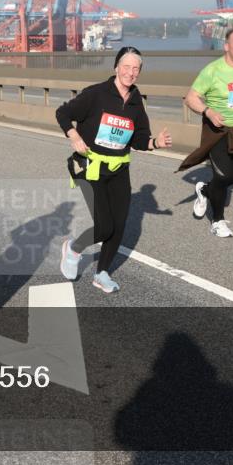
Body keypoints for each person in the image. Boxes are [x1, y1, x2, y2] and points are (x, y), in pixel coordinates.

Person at [56, 46, 172, 293]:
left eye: (135, 68)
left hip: (119, 168)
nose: (130, 72)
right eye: (126, 66)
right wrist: (74, 135)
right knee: (104, 226)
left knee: (119, 226)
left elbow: (139, 139)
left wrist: (156, 143)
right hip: (90, 166)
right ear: (116, 67)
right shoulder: (96, 94)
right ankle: (73, 249)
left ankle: (102, 273)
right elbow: (63, 112)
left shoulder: (136, 101)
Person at [179, 26, 233, 238]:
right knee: (223, 175)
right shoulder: (212, 71)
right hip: (217, 131)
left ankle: (205, 190)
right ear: (226, 46)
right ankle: (217, 221)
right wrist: (208, 111)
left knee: (231, 178)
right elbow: (191, 98)